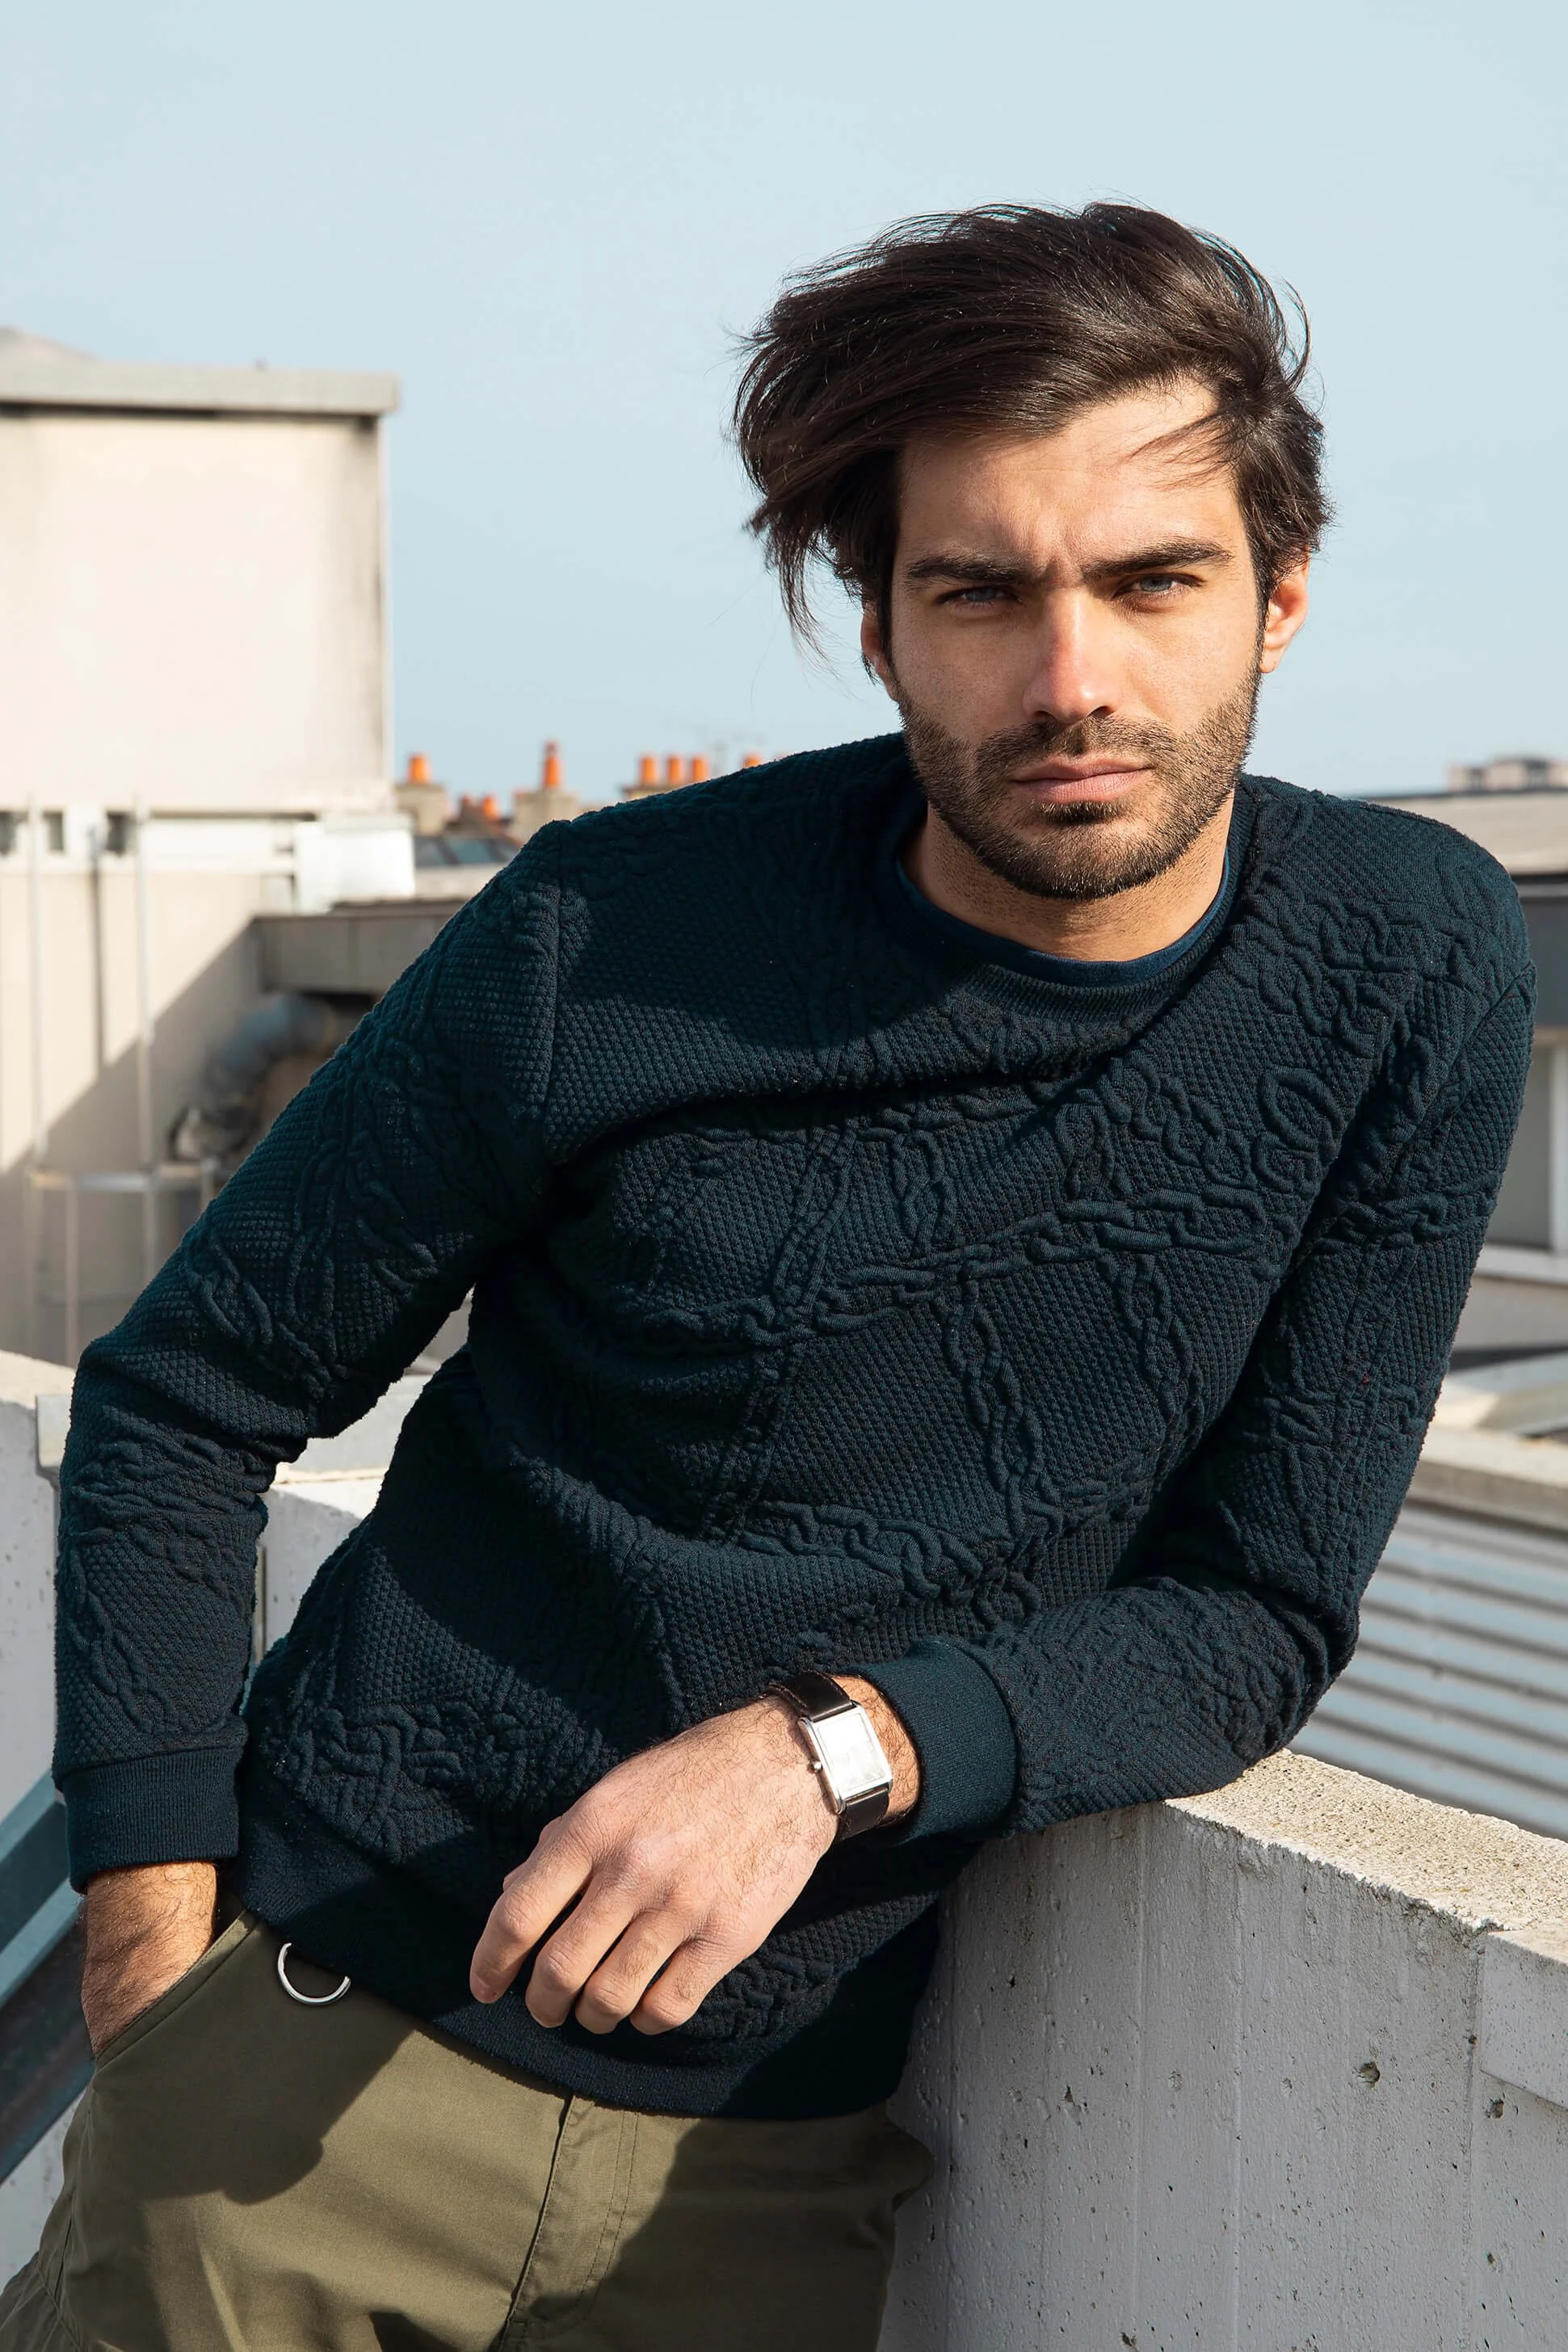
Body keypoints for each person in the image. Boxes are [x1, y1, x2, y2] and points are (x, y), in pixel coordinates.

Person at [1, 203, 1530, 2352]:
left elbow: (1252, 1607)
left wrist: (834, 1747)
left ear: (1277, 592)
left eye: (1149, 580)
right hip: (305, 2069)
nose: (1070, 673)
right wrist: (158, 1973)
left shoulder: (1408, 964)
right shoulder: (609, 932)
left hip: (772, 2165)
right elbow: (188, 1394)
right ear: (879, 624)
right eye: (977, 590)